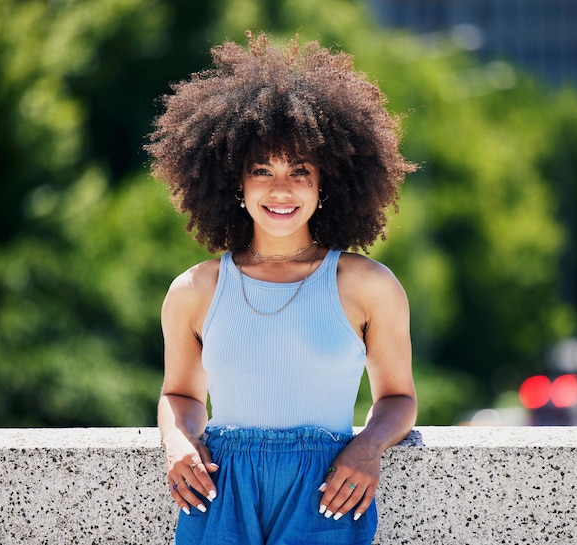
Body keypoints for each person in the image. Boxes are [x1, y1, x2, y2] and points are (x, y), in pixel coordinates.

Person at [146, 31, 417, 545]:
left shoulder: (366, 285)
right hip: (220, 488)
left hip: (328, 488)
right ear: (236, 182)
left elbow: (399, 397)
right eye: (260, 170)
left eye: (300, 171)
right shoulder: (194, 289)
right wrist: (176, 442)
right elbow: (179, 394)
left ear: (325, 183)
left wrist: (369, 446)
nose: (280, 189)